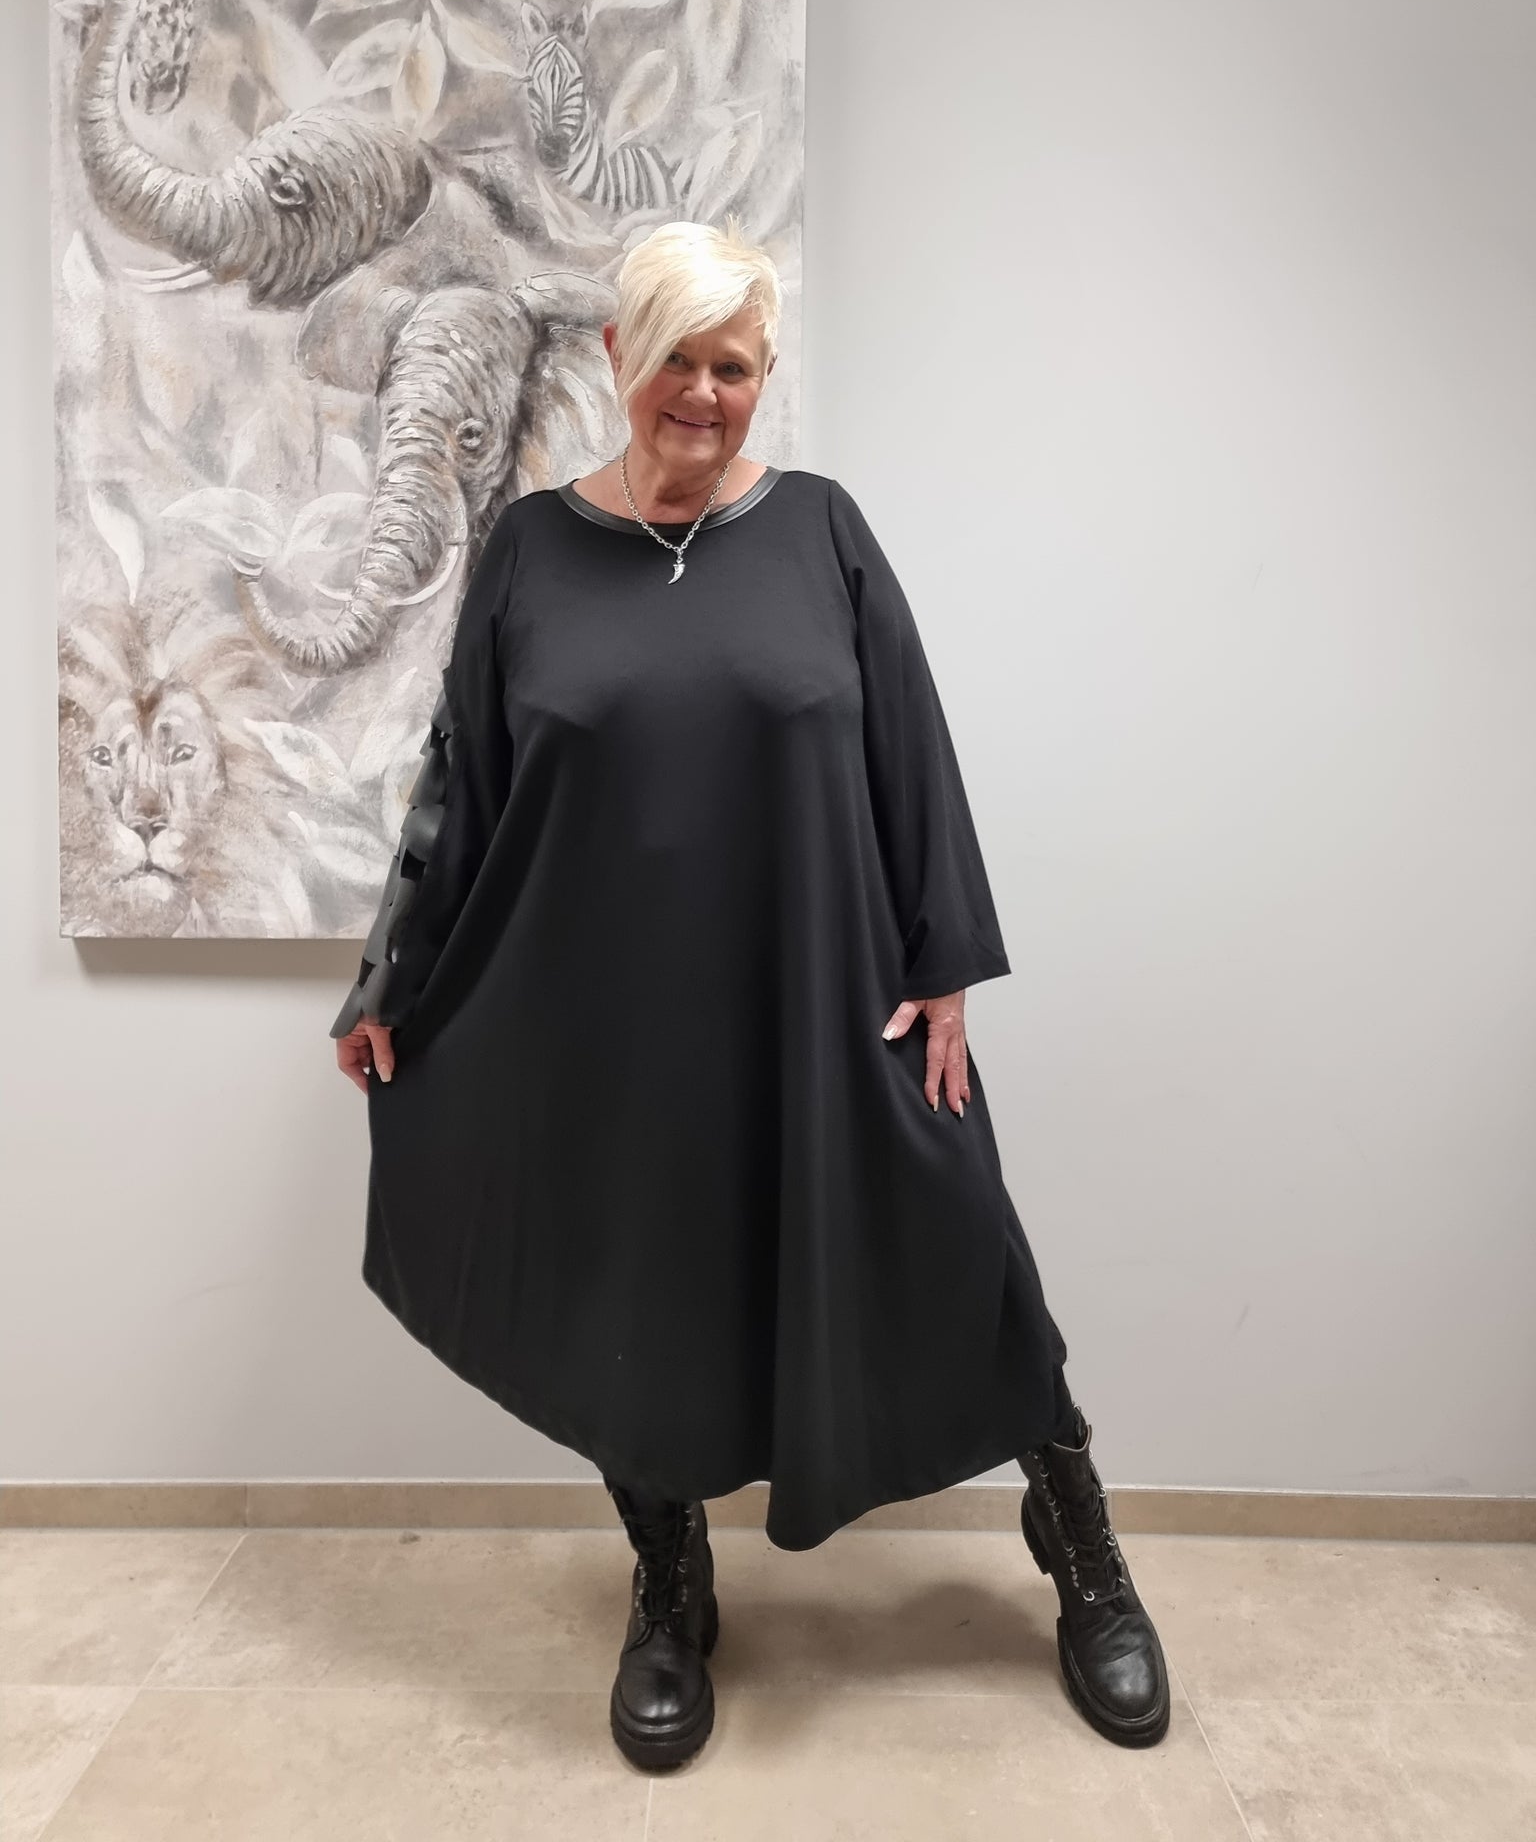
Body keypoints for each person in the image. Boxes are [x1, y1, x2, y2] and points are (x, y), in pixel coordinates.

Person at [332, 220, 1169, 1770]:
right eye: (677, 359)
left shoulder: (823, 533)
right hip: (609, 1022)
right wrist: (395, 974)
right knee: (632, 1294)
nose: (703, 394)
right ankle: (670, 1584)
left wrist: (945, 967)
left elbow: (912, 754)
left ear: (762, 374)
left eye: (733, 366)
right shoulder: (530, 556)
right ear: (619, 358)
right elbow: (462, 781)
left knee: (965, 1252)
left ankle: (1082, 1547)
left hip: (827, 999)